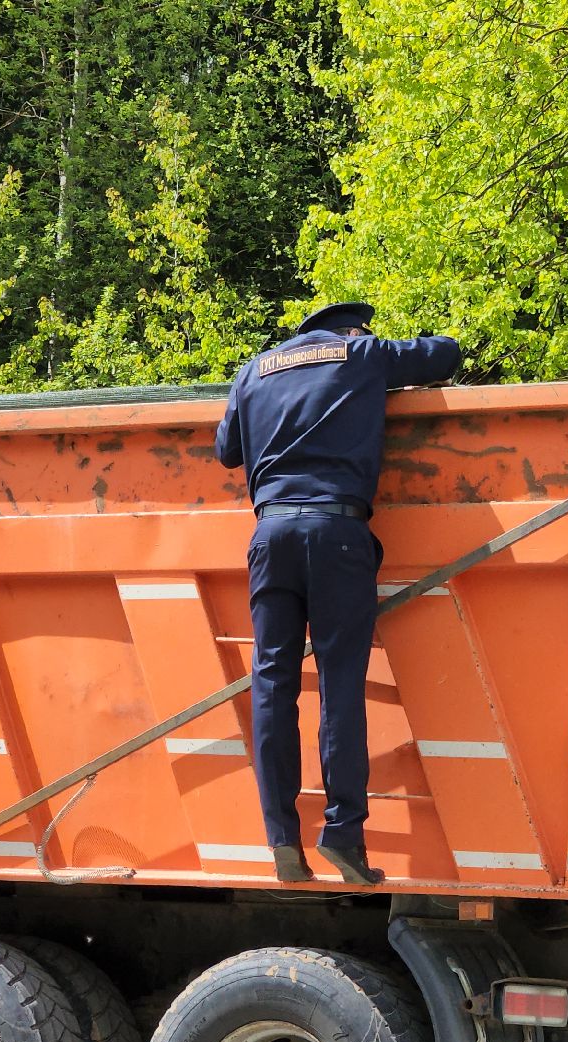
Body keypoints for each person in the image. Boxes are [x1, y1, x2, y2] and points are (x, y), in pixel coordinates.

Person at [214, 302, 462, 885]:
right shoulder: (362, 353)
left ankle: (281, 838)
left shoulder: (255, 369)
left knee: (272, 683)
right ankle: (343, 832)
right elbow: (444, 354)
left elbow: (227, 449)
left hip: (270, 533)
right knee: (339, 684)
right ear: (352, 329)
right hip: (337, 531)